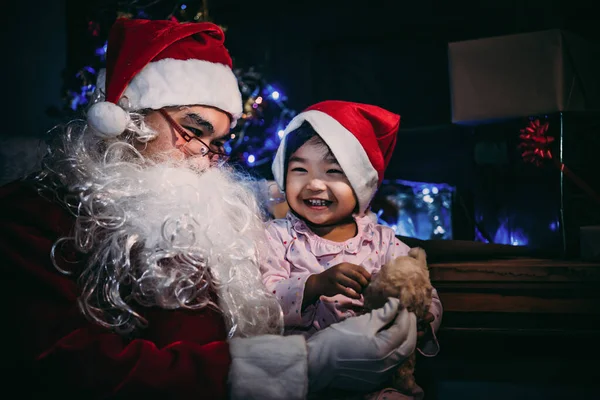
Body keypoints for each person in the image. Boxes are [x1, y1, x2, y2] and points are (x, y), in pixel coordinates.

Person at [0, 18, 418, 399]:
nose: (204, 155)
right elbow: (70, 370)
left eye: (218, 142)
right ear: (126, 117)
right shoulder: (35, 215)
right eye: (193, 130)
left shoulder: (221, 219)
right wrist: (308, 363)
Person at [261, 101, 442, 398]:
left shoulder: (383, 241)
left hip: (376, 381)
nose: (315, 184)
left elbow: (422, 289)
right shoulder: (277, 237)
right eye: (299, 170)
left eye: (333, 171)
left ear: (361, 184)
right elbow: (262, 303)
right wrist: (315, 284)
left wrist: (422, 320)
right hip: (304, 379)